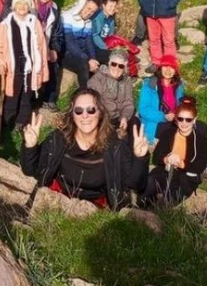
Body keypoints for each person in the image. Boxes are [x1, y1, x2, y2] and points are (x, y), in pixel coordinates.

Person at [21, 89, 150, 210]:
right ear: (72, 115)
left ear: (100, 113)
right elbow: (31, 170)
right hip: (57, 199)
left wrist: (140, 158)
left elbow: (135, 184)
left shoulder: (115, 145)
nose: (85, 115)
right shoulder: (58, 139)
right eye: (78, 111)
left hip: (96, 207)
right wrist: (30, 146)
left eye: (91, 110)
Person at [0, 0, 49, 134]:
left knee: (26, 97)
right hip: (13, 68)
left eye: (25, 4)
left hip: (30, 68)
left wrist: (42, 67)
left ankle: (21, 123)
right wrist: (0, 63)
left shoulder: (34, 22)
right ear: (14, 6)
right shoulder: (5, 25)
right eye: (19, 4)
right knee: (11, 98)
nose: (22, 7)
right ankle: (7, 125)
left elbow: (41, 46)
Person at [144, 96, 207, 206]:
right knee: (149, 184)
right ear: (176, 119)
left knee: (171, 199)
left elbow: (200, 165)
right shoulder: (168, 133)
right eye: (180, 119)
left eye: (188, 119)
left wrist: (181, 163)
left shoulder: (200, 139)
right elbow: (156, 158)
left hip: (186, 177)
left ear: (194, 120)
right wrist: (166, 158)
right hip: (165, 171)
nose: (184, 123)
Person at [34, 0, 65, 110]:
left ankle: (49, 98)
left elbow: (57, 32)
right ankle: (32, 100)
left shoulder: (54, 9)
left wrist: (54, 48)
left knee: (54, 65)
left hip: (47, 45)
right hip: (32, 47)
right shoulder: (29, 6)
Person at [136, 56, 185, 142]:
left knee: (199, 126)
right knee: (176, 132)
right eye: (165, 66)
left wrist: (176, 114)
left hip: (174, 120)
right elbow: (143, 109)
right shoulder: (150, 85)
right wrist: (163, 116)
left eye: (172, 68)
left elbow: (180, 105)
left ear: (175, 71)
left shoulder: (178, 86)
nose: (168, 70)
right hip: (155, 123)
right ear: (160, 68)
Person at [87, 49, 135, 134]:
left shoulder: (126, 80)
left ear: (125, 67)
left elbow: (128, 102)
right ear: (109, 63)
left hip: (119, 116)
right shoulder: (97, 79)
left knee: (135, 122)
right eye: (114, 64)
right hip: (103, 118)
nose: (116, 68)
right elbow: (97, 103)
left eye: (121, 66)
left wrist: (124, 117)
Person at [62, 0, 100, 90]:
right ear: (82, 6)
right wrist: (87, 59)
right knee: (84, 64)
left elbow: (89, 42)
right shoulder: (67, 17)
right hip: (66, 53)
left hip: (81, 52)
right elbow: (70, 44)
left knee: (105, 55)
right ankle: (84, 93)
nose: (89, 12)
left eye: (93, 12)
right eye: (88, 8)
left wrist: (93, 58)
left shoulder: (88, 22)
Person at [91, 0, 119, 66]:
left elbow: (111, 35)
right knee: (113, 58)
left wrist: (114, 46)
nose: (113, 8)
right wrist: (106, 48)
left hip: (104, 45)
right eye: (110, 6)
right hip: (95, 47)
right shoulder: (97, 18)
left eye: (115, 6)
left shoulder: (111, 19)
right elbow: (95, 36)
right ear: (103, 6)